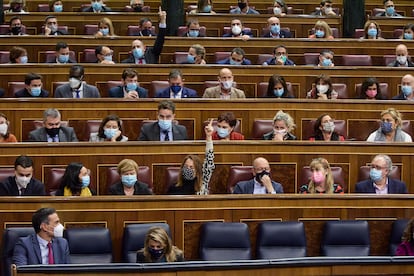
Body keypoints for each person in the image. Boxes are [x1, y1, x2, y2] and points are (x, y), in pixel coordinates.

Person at [167, 120, 214, 195]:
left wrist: (209, 137)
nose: (188, 169)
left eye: (191, 167)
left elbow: (209, 160)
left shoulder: (202, 186)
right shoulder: (173, 188)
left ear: (197, 170)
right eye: (186, 166)